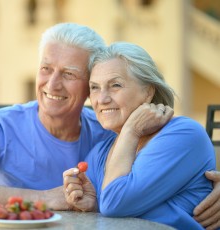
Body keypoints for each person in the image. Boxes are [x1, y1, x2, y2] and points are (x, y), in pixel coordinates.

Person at [0, 22, 220, 229]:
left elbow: (116, 201)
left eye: (69, 74)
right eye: (46, 68)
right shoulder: (101, 145)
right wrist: (55, 199)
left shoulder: (108, 134)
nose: (52, 84)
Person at [63, 42, 216, 229]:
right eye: (94, 87)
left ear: (148, 92)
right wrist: (93, 204)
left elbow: (114, 203)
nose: (101, 99)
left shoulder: (184, 134)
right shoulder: (99, 153)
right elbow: (113, 213)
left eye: (115, 85)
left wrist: (131, 130)